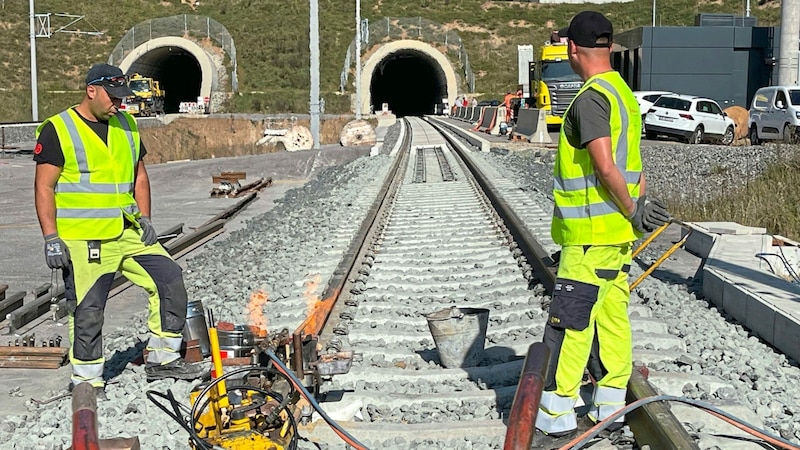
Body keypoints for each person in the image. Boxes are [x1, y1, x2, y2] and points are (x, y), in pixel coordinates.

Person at [533, 11, 670, 448]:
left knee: (571, 323)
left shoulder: (591, 98)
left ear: (572, 49)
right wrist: (637, 208)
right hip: (615, 241)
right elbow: (636, 166)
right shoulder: (623, 93)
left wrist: (631, 209)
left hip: (590, 238)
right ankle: (609, 405)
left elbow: (606, 164)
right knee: (612, 319)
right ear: (608, 47)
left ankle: (556, 413)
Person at [33, 63, 205, 393]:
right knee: (89, 308)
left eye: (122, 98)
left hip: (129, 232)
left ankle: (163, 359)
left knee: (170, 279)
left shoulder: (126, 124)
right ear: (91, 91)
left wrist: (146, 218)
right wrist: (51, 238)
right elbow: (44, 187)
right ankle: (86, 381)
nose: (119, 104)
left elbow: (139, 176)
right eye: (113, 97)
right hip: (86, 239)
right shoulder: (59, 129)